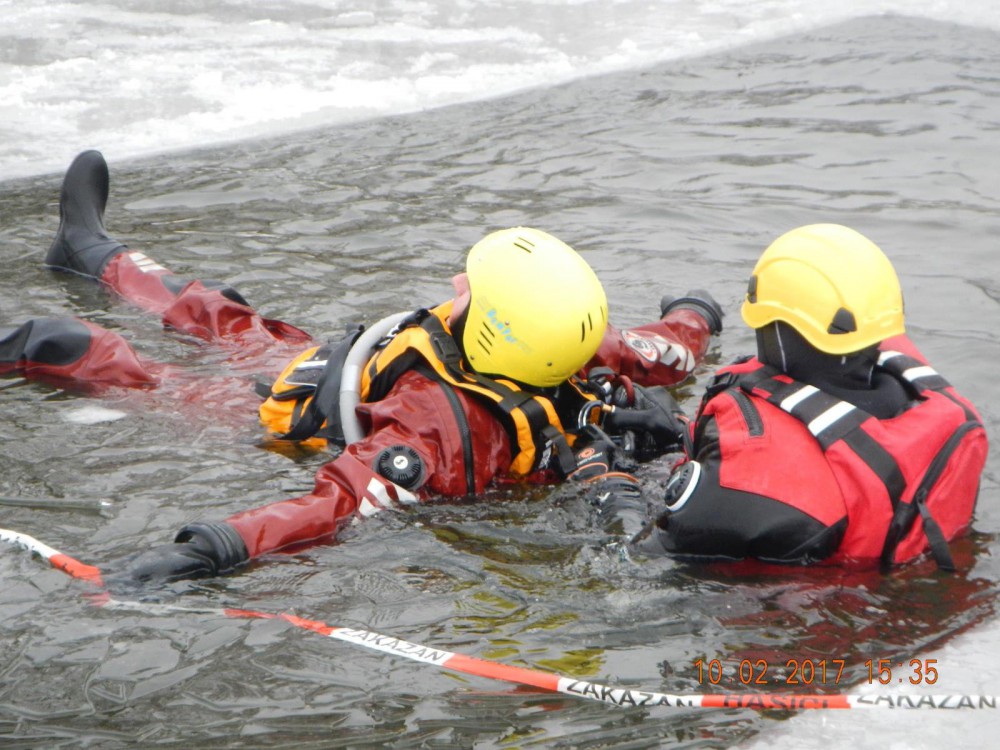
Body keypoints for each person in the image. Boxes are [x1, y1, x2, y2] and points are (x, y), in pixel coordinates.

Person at [0, 150, 724, 585]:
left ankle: (41, 341)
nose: (455, 284)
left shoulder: (436, 428)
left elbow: (335, 506)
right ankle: (91, 252)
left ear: (497, 327)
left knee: (137, 374)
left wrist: (215, 548)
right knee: (221, 313)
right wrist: (698, 313)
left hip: (282, 413)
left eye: (470, 288)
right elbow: (666, 349)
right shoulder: (568, 346)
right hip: (335, 362)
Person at [595, 223, 988, 571]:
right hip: (915, 584)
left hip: (804, 621)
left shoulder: (752, 486)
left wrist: (610, 486)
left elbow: (636, 562)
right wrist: (680, 434)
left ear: (771, 325)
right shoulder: (927, 400)